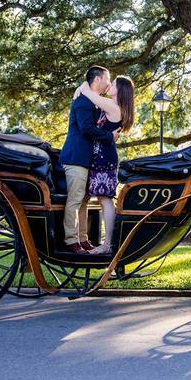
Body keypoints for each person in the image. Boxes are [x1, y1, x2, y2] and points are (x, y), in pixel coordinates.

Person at [73, 75, 135, 255]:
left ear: (120, 90)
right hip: (100, 156)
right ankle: (105, 242)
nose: (109, 84)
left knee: (105, 199)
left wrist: (83, 86)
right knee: (102, 199)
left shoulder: (114, 106)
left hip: (104, 157)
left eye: (113, 83)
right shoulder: (112, 106)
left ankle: (108, 244)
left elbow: (88, 92)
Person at [58, 66, 116, 254]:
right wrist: (109, 137)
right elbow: (86, 128)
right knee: (75, 200)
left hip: (85, 160)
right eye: (107, 79)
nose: (109, 83)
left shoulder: (94, 101)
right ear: (97, 79)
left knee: (83, 201)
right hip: (76, 158)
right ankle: (71, 240)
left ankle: (83, 239)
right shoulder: (83, 102)